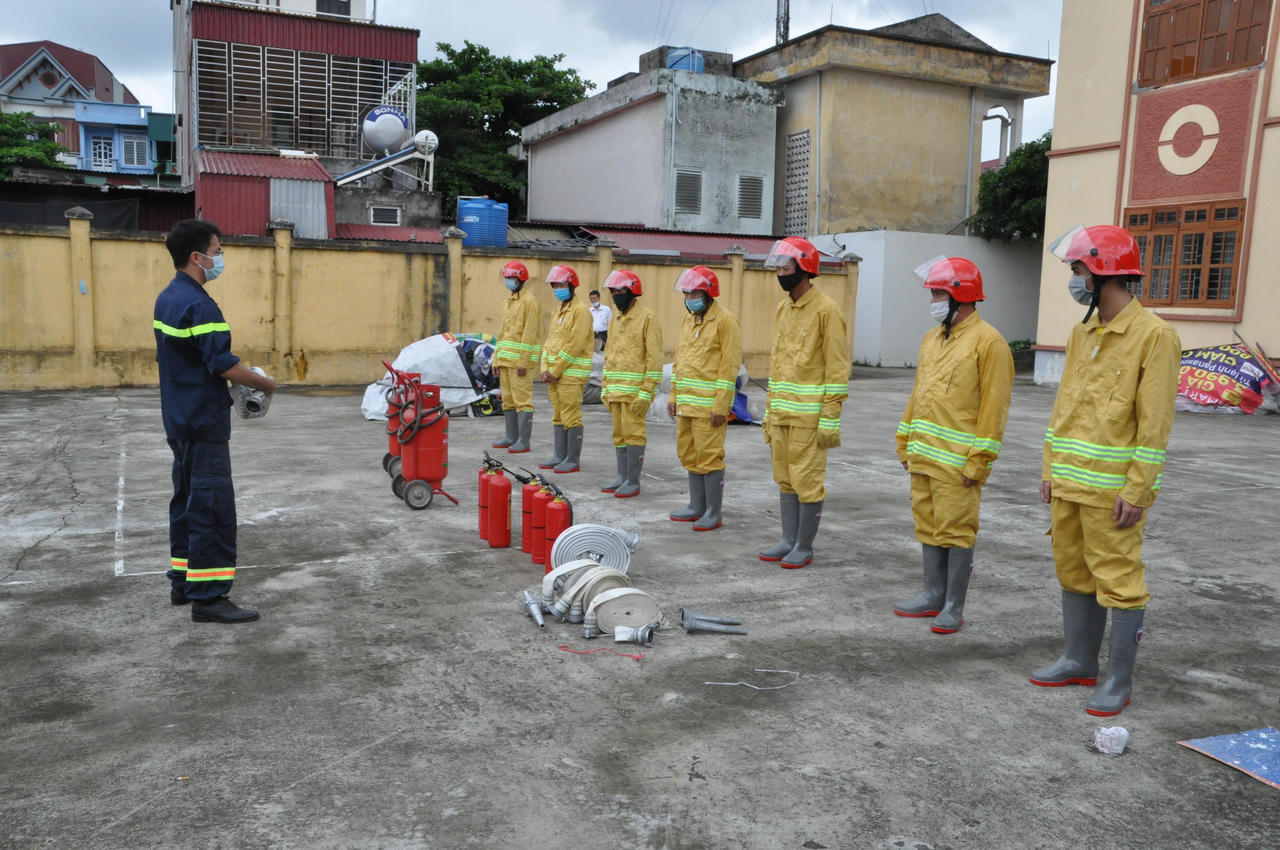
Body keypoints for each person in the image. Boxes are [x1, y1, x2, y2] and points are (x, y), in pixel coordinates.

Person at [1030, 224, 1180, 717]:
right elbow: (1064, 408)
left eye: (1077, 271)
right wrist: (1050, 469)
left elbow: (1154, 423)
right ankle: (1077, 659)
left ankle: (1118, 679)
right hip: (1071, 484)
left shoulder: (1154, 336)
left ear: (1101, 273)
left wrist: (1138, 491)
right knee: (1073, 571)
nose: (1073, 281)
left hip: (1113, 493)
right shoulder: (1082, 333)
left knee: (1119, 580)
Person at [155, 219, 276, 624]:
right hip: (203, 421)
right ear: (197, 257)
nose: (220, 257)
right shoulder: (199, 304)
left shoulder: (168, 297)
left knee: (186, 501)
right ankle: (209, 596)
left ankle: (182, 582)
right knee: (210, 507)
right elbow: (223, 364)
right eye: (217, 250)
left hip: (178, 417)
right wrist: (264, 382)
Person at [893, 256, 1013, 631]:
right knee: (928, 526)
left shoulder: (989, 343)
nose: (933, 300)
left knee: (957, 530)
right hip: (924, 455)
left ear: (962, 295)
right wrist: (905, 437)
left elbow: (995, 409)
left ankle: (953, 605)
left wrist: (980, 460)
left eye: (939, 293)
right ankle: (932, 593)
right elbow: (920, 393)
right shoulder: (932, 339)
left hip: (959, 464)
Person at [759, 237, 851, 568]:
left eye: (785, 267)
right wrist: (769, 413)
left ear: (805, 270)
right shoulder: (783, 309)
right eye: (779, 267)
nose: (780, 272)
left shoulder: (827, 311)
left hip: (809, 420)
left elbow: (837, 367)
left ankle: (804, 545)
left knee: (807, 482)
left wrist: (830, 417)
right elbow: (778, 363)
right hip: (782, 414)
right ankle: (787, 539)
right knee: (784, 478)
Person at [668, 266, 741, 531]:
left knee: (709, 457)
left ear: (709, 293)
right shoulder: (689, 320)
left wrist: (722, 405)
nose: (689, 298)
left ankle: (713, 511)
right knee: (689, 453)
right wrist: (674, 395)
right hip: (687, 404)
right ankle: (696, 505)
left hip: (710, 407)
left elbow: (729, 366)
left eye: (694, 293)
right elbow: (680, 361)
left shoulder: (725, 321)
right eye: (686, 293)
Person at [599, 270, 663, 498]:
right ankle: (621, 476)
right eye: (613, 291)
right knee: (619, 434)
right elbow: (610, 354)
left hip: (635, 393)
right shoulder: (616, 319)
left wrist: (647, 392)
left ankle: (633, 480)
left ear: (633, 292)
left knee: (634, 435)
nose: (616, 295)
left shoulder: (647, 318)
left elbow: (654, 358)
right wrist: (605, 387)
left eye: (620, 291)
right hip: (615, 391)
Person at [538, 265, 594, 473]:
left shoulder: (581, 312)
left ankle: (572, 459)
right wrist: (544, 367)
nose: (558, 289)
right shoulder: (557, 311)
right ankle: (559, 455)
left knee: (571, 415)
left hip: (570, 375)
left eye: (561, 285)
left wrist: (556, 369)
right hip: (553, 375)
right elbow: (550, 341)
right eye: (555, 286)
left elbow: (574, 344)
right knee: (558, 415)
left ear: (571, 285)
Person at [490, 260, 544, 453]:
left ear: (521, 279)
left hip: (520, 364)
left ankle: (523, 441)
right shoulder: (507, 302)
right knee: (508, 400)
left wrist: (523, 361)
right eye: (506, 278)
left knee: (523, 401)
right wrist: (496, 359)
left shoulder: (530, 302)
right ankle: (510, 436)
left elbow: (530, 333)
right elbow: (503, 332)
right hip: (505, 360)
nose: (508, 281)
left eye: (511, 278)